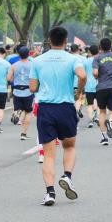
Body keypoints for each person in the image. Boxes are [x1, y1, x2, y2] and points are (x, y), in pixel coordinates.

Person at [29, 26, 87, 206]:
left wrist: (42, 86)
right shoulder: (73, 59)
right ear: (66, 41)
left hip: (46, 108)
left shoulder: (37, 60)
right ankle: (67, 176)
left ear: (49, 40)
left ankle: (50, 193)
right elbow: (83, 75)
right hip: (65, 107)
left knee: (48, 154)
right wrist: (78, 91)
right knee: (69, 146)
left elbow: (32, 88)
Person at [7, 46, 34, 140]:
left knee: (18, 108)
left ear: (19, 54)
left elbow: (9, 78)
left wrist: (15, 79)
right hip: (28, 91)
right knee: (28, 112)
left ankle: (16, 112)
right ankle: (23, 133)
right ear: (29, 54)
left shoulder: (13, 65)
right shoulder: (32, 65)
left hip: (17, 91)